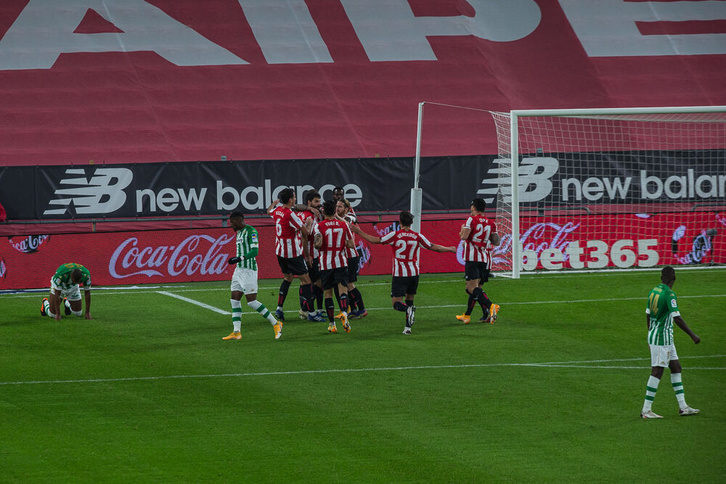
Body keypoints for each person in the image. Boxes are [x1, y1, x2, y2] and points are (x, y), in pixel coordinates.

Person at [352, 211, 456, 334]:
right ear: (411, 223)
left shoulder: (395, 235)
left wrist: (358, 231)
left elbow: (375, 240)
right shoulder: (417, 236)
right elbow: (434, 247)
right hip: (414, 273)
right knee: (410, 300)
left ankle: (408, 312)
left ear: (399, 222)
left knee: (396, 303)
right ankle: (407, 328)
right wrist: (450, 248)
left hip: (400, 274)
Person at [640, 266, 701, 419]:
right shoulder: (669, 294)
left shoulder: (654, 291)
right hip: (662, 338)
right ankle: (646, 410)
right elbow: (677, 317)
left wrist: (649, 334)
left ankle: (683, 407)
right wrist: (692, 335)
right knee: (657, 371)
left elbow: (648, 314)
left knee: (676, 367)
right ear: (674, 279)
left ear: (662, 278)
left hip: (660, 336)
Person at [222, 211, 283, 341]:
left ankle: (276, 323)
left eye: (232, 222)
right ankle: (236, 332)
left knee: (251, 302)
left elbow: (255, 251)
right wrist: (238, 261)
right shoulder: (238, 233)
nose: (230, 225)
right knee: (234, 300)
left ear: (239, 221)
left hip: (249, 271)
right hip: (239, 271)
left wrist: (239, 258)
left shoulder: (252, 232)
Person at [267, 188, 315, 322]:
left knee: (288, 278)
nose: (295, 199)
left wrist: (274, 203)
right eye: (293, 197)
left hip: (280, 252)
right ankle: (311, 313)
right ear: (290, 199)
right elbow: (305, 231)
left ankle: (279, 308)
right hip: (292, 253)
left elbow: (268, 211)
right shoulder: (290, 214)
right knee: (306, 280)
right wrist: (309, 224)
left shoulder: (277, 211)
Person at [456, 198, 500, 325]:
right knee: (476, 289)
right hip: (484, 259)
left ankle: (491, 306)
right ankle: (469, 315)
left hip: (472, 258)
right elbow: (496, 242)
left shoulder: (471, 220)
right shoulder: (491, 223)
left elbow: (463, 236)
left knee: (471, 288)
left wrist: (462, 230)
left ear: (473, 207)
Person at [312, 200, 354, 334]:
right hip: (341, 262)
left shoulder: (319, 226)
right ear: (335, 212)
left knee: (328, 293)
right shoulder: (343, 225)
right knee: (343, 290)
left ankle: (332, 324)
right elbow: (351, 244)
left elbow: (317, 244)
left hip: (326, 264)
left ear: (323, 211)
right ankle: (343, 313)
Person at [297, 190, 326, 322]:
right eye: (316, 201)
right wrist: (307, 255)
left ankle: (311, 310)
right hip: (308, 253)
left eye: (319, 201)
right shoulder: (308, 215)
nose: (319, 204)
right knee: (314, 282)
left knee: (309, 282)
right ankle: (307, 310)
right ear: (309, 202)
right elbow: (305, 235)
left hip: (309, 253)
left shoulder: (311, 213)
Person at [336, 198, 367, 319]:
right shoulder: (337, 219)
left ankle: (362, 309)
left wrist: (336, 217)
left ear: (346, 209)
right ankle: (353, 309)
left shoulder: (350, 216)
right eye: (337, 206)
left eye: (340, 207)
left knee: (349, 285)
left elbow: (347, 223)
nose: (337, 209)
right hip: (343, 256)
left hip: (351, 256)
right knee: (344, 284)